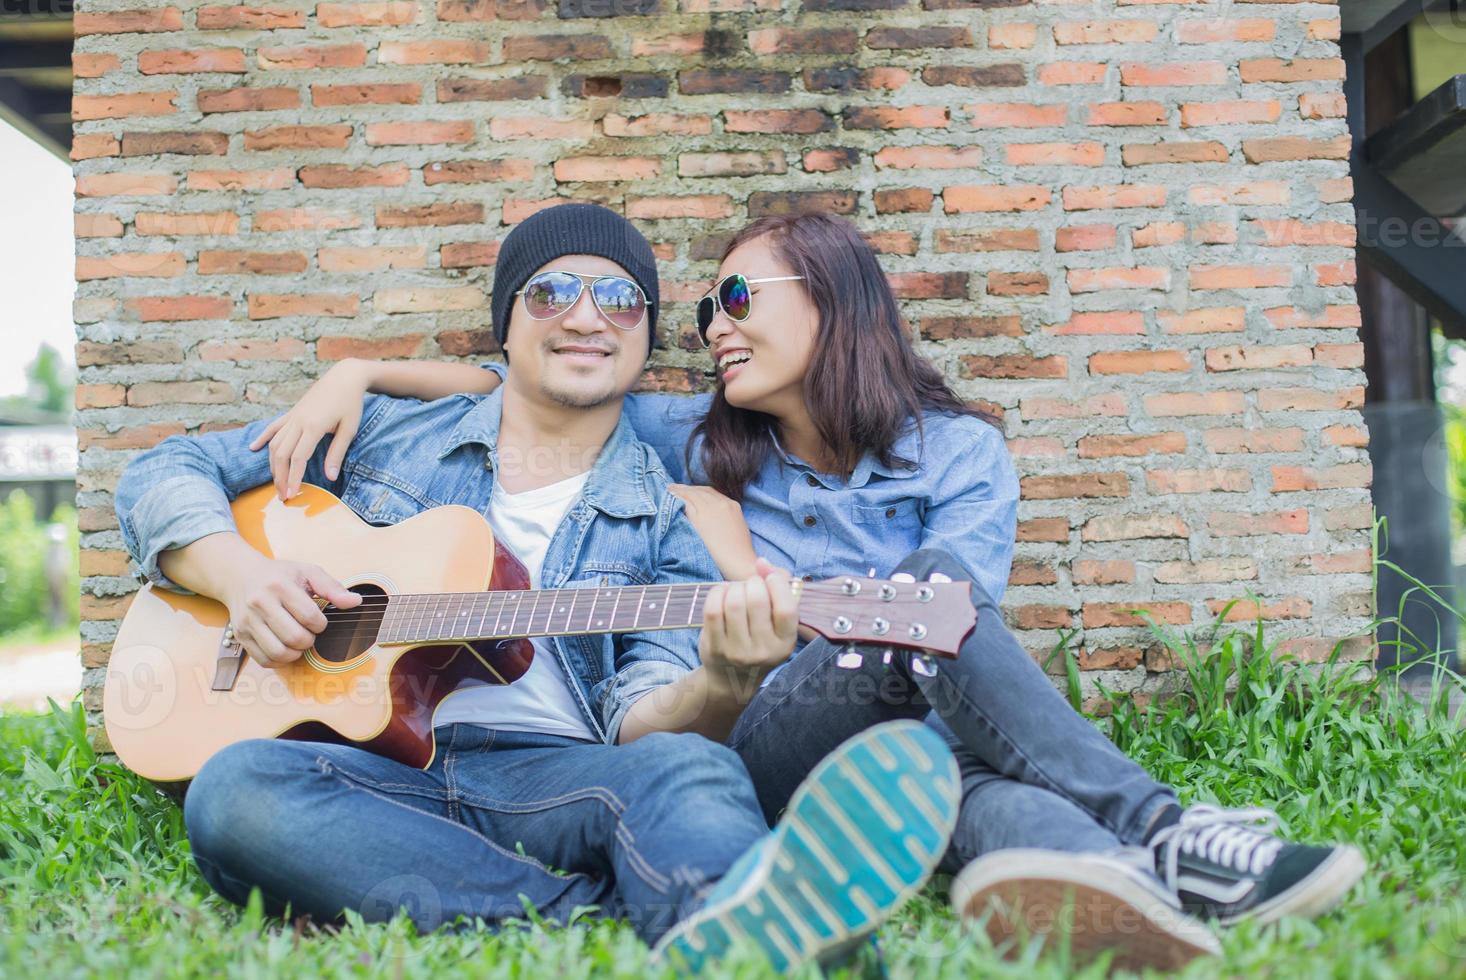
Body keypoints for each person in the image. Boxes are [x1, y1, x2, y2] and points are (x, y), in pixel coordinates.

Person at [267, 210, 1369, 971]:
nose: (715, 329)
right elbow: (528, 379)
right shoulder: (686, 434)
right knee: (922, 604)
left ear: (835, 303)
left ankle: (1115, 877)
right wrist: (361, 371)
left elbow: (956, 644)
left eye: (739, 296)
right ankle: (1167, 830)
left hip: (914, 740)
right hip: (765, 730)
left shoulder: (962, 455)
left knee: (947, 729)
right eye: (704, 312)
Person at [112, 203, 963, 973]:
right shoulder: (379, 432)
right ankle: (605, 915)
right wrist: (245, 576)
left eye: (623, 301)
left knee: (686, 769)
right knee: (235, 792)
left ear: (644, 336)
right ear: (507, 328)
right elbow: (163, 470)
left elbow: (642, 717)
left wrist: (726, 682)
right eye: (553, 291)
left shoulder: (666, 522)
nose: (588, 317)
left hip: (555, 780)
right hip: (369, 777)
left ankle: (765, 940)